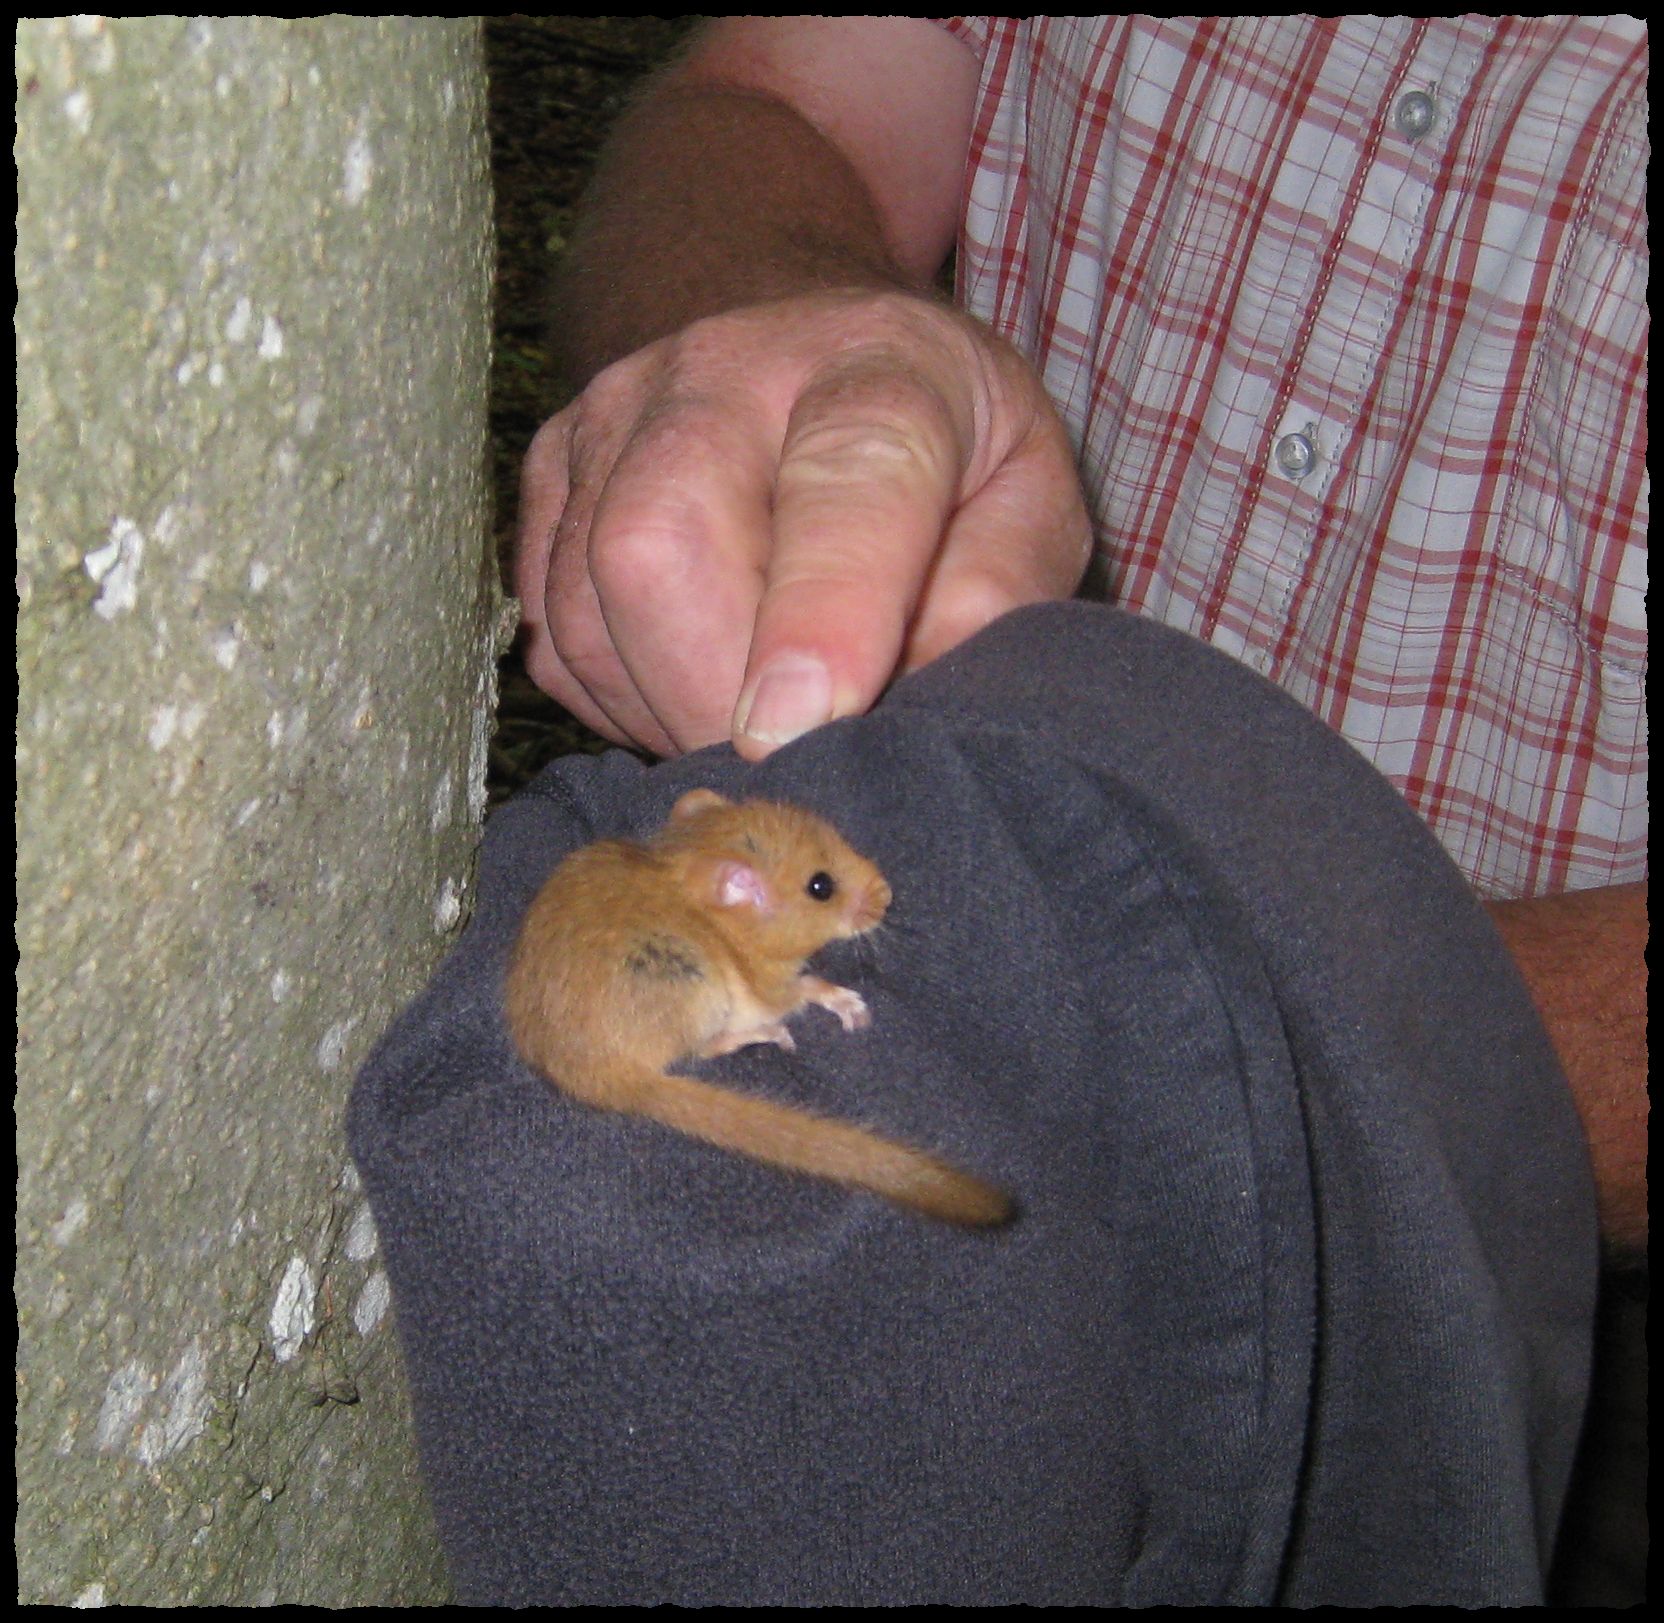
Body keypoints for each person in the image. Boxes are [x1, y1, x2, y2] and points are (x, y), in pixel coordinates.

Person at [513, 16, 1646, 1258]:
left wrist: (1252, 1071)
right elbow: (771, 96)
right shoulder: (722, 895)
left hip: (1515, 1192)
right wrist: (755, 376)